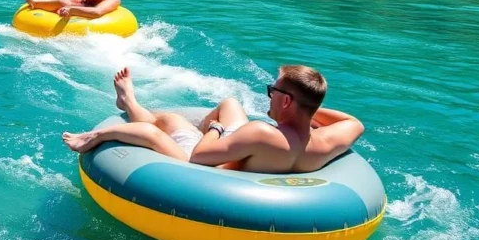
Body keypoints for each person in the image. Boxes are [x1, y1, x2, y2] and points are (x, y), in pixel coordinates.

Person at [62, 65, 366, 174]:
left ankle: (126, 103)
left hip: (210, 167)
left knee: (165, 124)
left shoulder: (262, 132)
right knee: (230, 102)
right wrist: (307, 110)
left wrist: (217, 129)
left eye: (272, 89)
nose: (268, 94)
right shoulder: (327, 141)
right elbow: (355, 121)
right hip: (247, 151)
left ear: (286, 101)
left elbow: (198, 157)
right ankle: (133, 102)